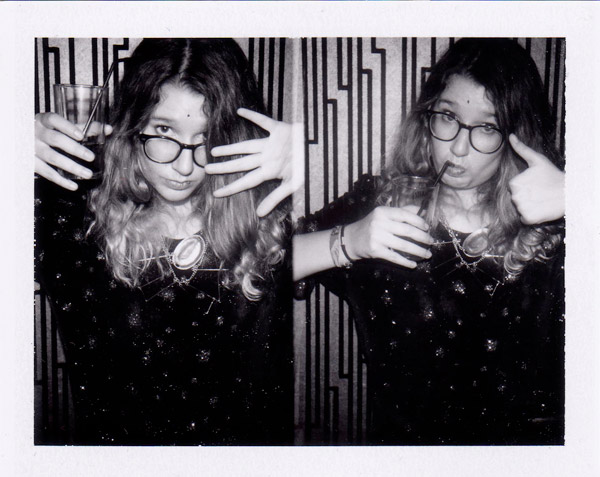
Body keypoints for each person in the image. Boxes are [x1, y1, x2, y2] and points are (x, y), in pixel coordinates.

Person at [294, 38, 565, 445]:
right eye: (447, 116)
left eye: (487, 127)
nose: (457, 146)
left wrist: (583, 199)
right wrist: (348, 240)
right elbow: (265, 264)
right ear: (428, 116)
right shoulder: (380, 203)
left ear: (517, 135)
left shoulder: (556, 229)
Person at [34, 38, 299, 445]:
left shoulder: (266, 219)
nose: (185, 165)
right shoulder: (74, 220)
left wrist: (307, 156)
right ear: (131, 124)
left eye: (207, 137)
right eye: (163, 130)